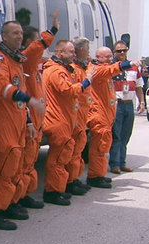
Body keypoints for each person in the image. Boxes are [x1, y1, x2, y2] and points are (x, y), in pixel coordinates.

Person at [0, 21, 45, 230]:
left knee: (14, 167)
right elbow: (1, 87)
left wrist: (28, 121)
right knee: (4, 169)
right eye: (15, 33)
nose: (19, 36)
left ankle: (7, 204)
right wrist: (30, 100)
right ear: (4, 36)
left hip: (17, 123)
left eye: (20, 33)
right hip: (3, 123)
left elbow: (19, 94)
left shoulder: (15, 61)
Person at [42, 40, 94, 205]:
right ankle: (52, 192)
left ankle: (58, 188)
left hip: (63, 118)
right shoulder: (56, 71)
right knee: (58, 158)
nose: (74, 55)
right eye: (71, 52)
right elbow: (67, 90)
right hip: (58, 119)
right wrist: (86, 82)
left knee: (63, 155)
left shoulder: (60, 70)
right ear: (59, 52)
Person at [18, 11, 59, 209]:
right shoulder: (27, 59)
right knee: (22, 162)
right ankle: (17, 197)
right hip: (28, 119)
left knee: (30, 161)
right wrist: (52, 31)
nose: (41, 48)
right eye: (37, 42)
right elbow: (35, 50)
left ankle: (24, 194)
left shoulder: (33, 67)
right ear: (29, 42)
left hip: (36, 120)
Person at [86, 46, 142, 189]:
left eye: (111, 56)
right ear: (98, 57)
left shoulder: (103, 70)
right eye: (108, 57)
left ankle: (99, 175)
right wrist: (130, 64)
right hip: (98, 115)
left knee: (103, 148)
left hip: (106, 115)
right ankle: (94, 177)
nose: (111, 59)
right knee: (99, 148)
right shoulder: (96, 69)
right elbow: (111, 70)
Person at [109, 40, 145, 174]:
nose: (122, 53)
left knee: (126, 135)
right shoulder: (111, 67)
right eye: (119, 51)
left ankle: (122, 162)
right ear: (114, 52)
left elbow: (138, 86)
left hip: (129, 104)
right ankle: (114, 164)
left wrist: (141, 102)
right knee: (116, 135)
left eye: (124, 50)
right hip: (117, 105)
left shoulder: (134, 67)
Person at [64, 37, 93, 195]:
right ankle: (69, 182)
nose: (89, 52)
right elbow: (73, 93)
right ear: (81, 50)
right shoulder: (73, 69)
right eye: (87, 49)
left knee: (78, 151)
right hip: (75, 116)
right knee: (72, 151)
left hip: (82, 116)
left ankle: (74, 179)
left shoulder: (82, 68)